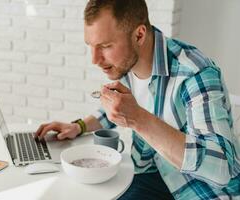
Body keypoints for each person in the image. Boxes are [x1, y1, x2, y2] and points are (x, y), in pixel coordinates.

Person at [35, 0, 240, 199]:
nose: (95, 60)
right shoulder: (126, 62)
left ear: (139, 35)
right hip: (151, 173)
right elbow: (113, 109)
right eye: (91, 45)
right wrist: (79, 126)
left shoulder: (196, 74)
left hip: (199, 191)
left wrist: (138, 118)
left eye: (106, 46)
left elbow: (220, 168)